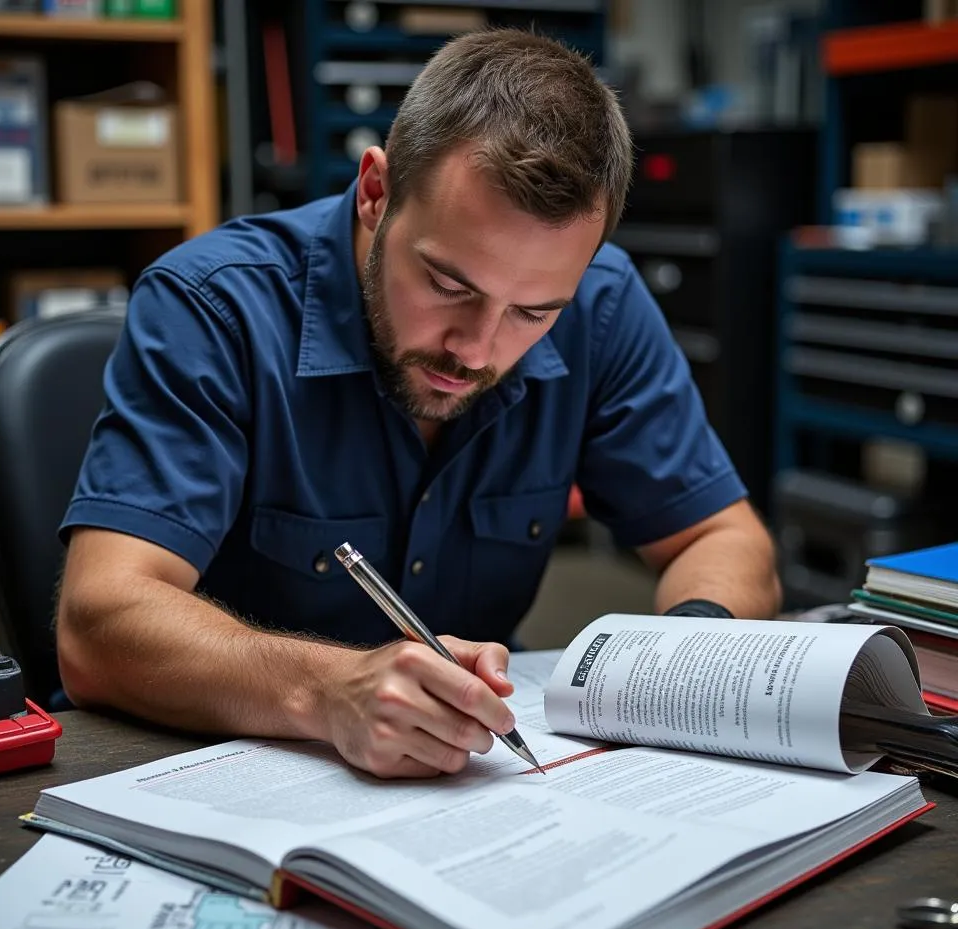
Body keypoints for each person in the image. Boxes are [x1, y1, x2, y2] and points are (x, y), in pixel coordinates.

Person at [56, 28, 781, 779]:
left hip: (461, 795)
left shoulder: (602, 306)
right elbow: (99, 624)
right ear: (376, 192)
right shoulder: (213, 307)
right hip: (208, 776)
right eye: (449, 285)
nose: (476, 348)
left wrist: (683, 659)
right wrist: (328, 690)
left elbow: (725, 539)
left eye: (532, 313)